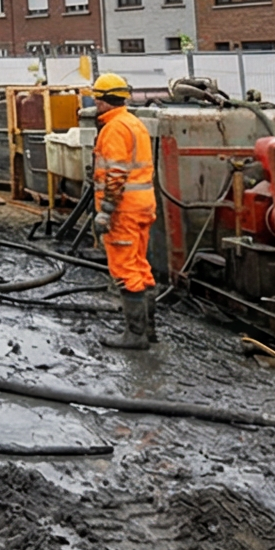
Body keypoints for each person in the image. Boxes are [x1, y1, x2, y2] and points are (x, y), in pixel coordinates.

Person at [89, 73, 159, 349]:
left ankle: (136, 335)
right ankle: (149, 331)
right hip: (143, 206)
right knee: (141, 267)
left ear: (104, 100)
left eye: (96, 97)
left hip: (124, 211)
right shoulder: (134, 123)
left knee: (125, 268)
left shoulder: (115, 128)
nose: (94, 102)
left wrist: (106, 210)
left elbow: (116, 172)